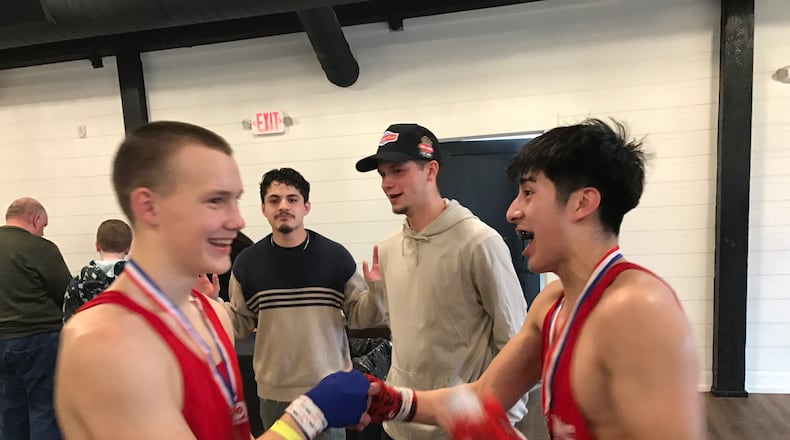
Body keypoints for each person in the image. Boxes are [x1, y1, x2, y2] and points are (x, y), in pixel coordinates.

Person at [363, 119, 705, 440]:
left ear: (582, 203)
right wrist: (391, 401)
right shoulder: (552, 302)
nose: (513, 211)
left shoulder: (640, 308)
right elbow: (484, 396)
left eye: (528, 192)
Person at [55, 121, 374, 440]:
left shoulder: (210, 315)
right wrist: (311, 412)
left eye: (234, 200)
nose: (237, 221)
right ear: (149, 206)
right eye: (214, 200)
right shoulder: (102, 342)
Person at [355, 123, 529, 439]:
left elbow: (514, 339)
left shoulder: (479, 242)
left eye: (397, 171)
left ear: (431, 170)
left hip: (460, 428)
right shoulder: (390, 248)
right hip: (400, 424)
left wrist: (502, 419)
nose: (387, 183)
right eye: (382, 175)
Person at [220, 167, 387, 440]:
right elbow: (239, 323)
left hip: (328, 390)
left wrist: (377, 290)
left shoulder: (335, 257)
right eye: (274, 200)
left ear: (306, 207)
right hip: (274, 394)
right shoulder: (247, 263)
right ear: (263, 208)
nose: (283, 206)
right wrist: (211, 303)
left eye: (292, 199)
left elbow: (360, 317)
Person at [0, 197, 72, 440]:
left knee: (8, 409)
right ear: (35, 218)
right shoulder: (41, 248)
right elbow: (65, 291)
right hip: (39, 339)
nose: (42, 232)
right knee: (44, 409)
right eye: (44, 226)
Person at [63, 219, 133, 322]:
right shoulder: (138, 282)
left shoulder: (78, 284)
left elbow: (69, 324)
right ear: (128, 248)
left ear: (97, 246)